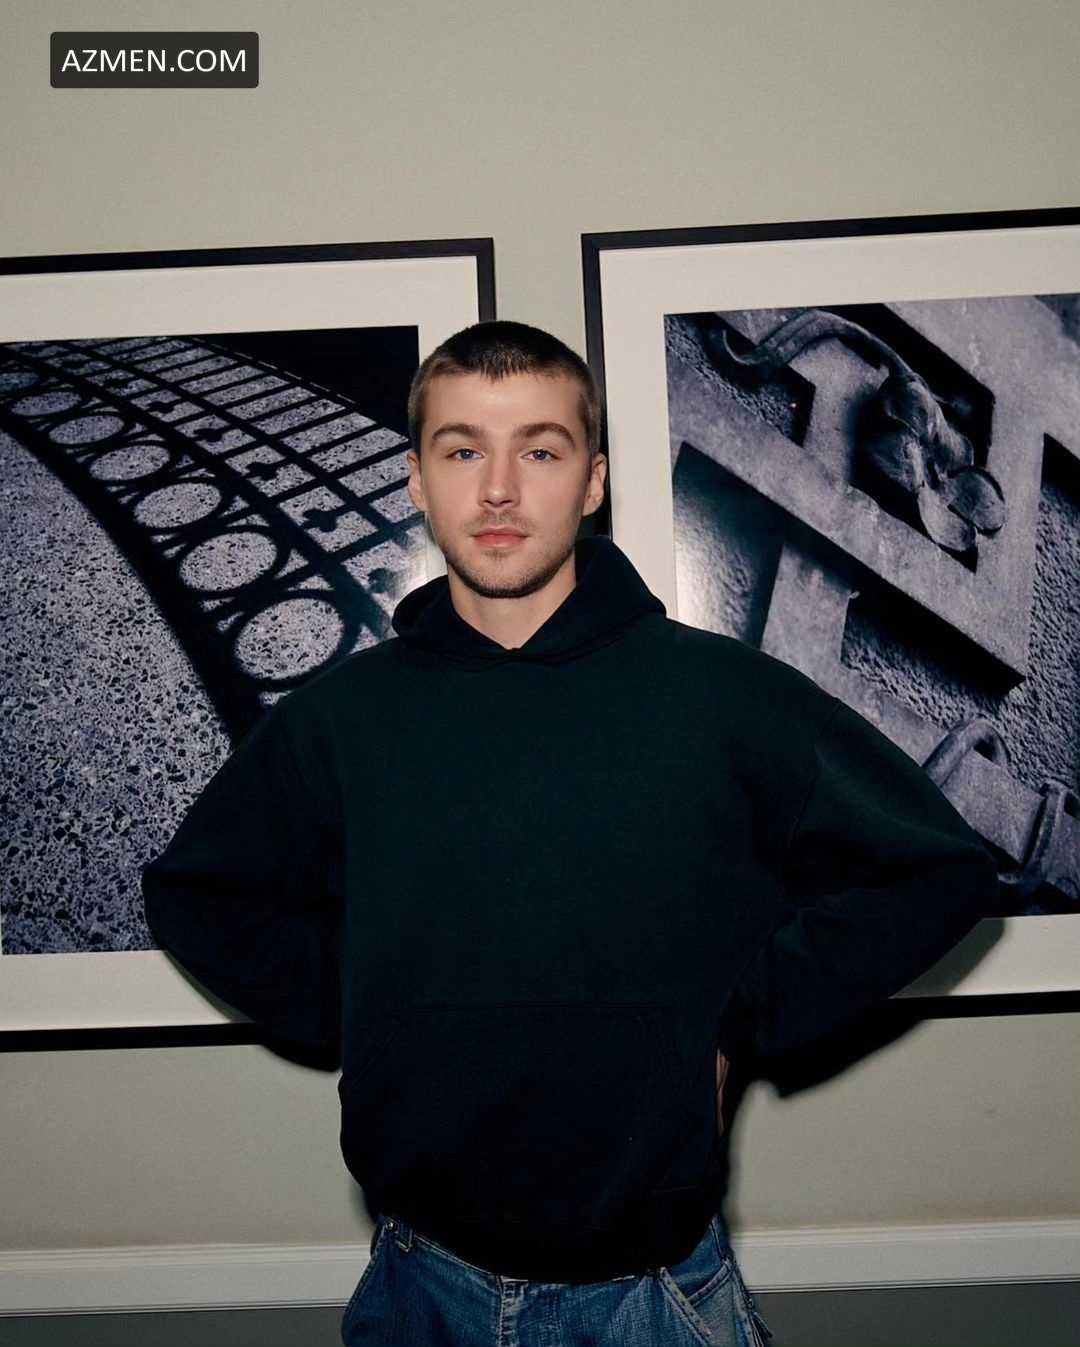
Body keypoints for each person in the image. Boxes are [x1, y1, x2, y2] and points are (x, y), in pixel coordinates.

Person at [142, 319, 999, 1347]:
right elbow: (200, 895)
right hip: (420, 1293)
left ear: (592, 482)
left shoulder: (723, 699)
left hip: (653, 1299)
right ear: (418, 480)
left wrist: (742, 1017)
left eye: (540, 452)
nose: (500, 490)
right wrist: (372, 1005)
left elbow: (936, 869)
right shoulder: (343, 719)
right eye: (463, 451)